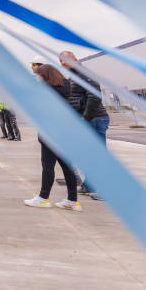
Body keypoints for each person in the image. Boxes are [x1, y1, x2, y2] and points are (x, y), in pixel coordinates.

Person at [24, 57, 82, 211]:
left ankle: (43, 197)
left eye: (39, 75)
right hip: (67, 132)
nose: (38, 78)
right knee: (67, 166)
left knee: (48, 166)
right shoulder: (68, 87)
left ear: (46, 76)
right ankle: (72, 200)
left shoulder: (47, 91)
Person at [62, 51, 109, 200]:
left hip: (95, 119)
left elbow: (94, 96)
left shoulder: (83, 73)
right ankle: (89, 185)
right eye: (61, 61)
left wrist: (85, 118)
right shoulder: (74, 75)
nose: (63, 63)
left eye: (66, 60)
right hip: (88, 119)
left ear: (75, 59)